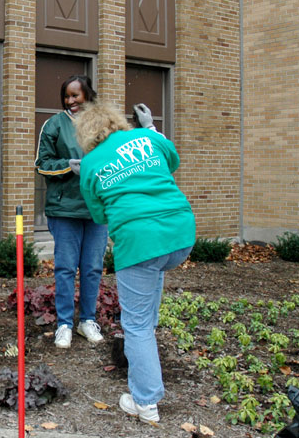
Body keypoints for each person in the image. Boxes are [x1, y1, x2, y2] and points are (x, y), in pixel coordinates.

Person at [74, 101, 195, 424]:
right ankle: (147, 370)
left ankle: (145, 402)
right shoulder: (147, 138)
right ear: (117, 121)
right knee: (146, 313)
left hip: (141, 244)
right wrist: (151, 128)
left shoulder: (90, 162)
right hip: (180, 236)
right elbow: (172, 159)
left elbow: (99, 215)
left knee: (137, 326)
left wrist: (92, 173)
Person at [35, 75, 109, 349]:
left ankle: (87, 321)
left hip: (96, 210)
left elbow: (117, 158)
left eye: (76, 95)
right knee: (66, 269)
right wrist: (68, 165)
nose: (71, 101)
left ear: (88, 95)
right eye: (67, 96)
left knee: (92, 268)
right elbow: (42, 164)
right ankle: (64, 324)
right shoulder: (54, 124)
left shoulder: (103, 125)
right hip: (64, 210)